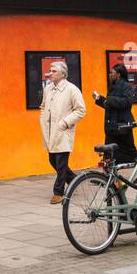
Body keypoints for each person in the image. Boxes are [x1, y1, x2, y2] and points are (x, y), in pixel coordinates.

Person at [40, 60, 86, 204]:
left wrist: (65, 122)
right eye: (50, 70)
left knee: (60, 162)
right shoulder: (48, 89)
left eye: (53, 71)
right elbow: (43, 106)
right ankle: (73, 179)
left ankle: (58, 192)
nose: (50, 73)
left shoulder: (72, 89)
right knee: (52, 160)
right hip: (49, 132)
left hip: (63, 131)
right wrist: (42, 119)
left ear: (62, 73)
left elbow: (81, 110)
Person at [92, 63, 137, 167]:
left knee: (131, 152)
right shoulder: (112, 86)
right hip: (112, 126)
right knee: (109, 154)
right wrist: (99, 99)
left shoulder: (127, 86)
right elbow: (110, 106)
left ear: (118, 74)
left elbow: (126, 102)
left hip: (122, 126)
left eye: (111, 73)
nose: (109, 74)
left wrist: (108, 100)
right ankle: (107, 178)